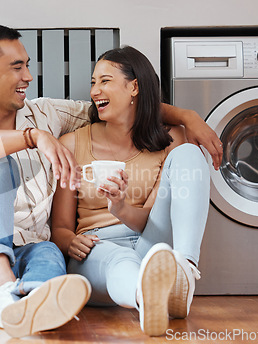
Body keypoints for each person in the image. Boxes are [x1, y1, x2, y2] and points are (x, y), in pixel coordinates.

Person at [0, 23, 220, 338]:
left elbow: (121, 109)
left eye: (27, 65)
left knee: (50, 253)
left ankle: (30, 303)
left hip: (28, 253)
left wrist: (188, 117)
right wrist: (32, 137)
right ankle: (1, 286)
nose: (28, 76)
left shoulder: (47, 113)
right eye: (17, 67)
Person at [51, 46, 212, 337]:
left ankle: (184, 270)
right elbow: (61, 227)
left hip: (151, 241)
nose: (95, 90)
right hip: (96, 248)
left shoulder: (169, 138)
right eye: (93, 82)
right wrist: (69, 242)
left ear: (134, 87)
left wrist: (120, 208)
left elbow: (150, 220)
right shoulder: (71, 144)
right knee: (120, 261)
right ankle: (146, 298)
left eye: (105, 80)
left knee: (190, 153)